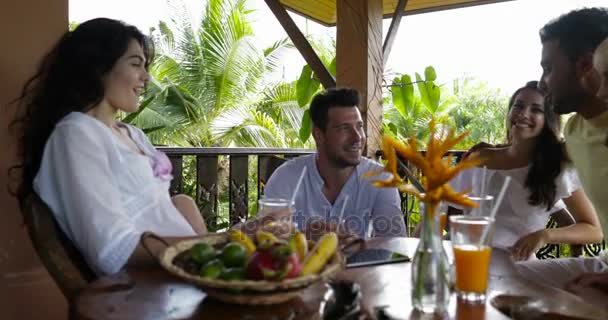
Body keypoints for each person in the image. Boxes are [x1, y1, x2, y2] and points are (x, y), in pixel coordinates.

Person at [10, 18, 207, 276]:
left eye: (145, 66)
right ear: (98, 67)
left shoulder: (132, 134)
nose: (146, 77)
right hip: (150, 290)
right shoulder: (76, 134)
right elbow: (114, 251)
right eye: (136, 64)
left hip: (189, 273)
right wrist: (214, 244)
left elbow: (159, 210)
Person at [511, 8, 608, 306]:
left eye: (549, 68)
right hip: (603, 264)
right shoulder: (576, 130)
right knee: (506, 282)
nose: (542, 82)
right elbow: (529, 155)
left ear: (585, 66)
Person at [451, 81, 603, 261]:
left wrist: (544, 235)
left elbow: (594, 230)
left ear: (548, 120)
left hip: (516, 264)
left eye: (536, 110)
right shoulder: (478, 157)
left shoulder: (555, 169)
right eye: (518, 106)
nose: (523, 114)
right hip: (468, 257)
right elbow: (444, 208)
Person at [262, 88, 406, 239]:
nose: (357, 137)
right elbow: (266, 238)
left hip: (361, 263)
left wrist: (356, 244)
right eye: (344, 128)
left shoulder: (380, 178)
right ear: (318, 135)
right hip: (299, 262)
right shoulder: (287, 177)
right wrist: (304, 237)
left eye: (359, 126)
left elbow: (395, 244)